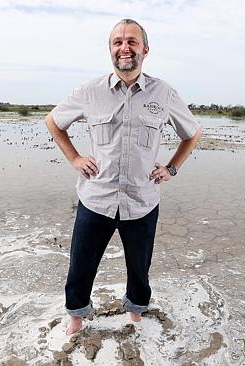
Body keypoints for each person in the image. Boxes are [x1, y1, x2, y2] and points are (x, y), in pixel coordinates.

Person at [45, 18, 202, 335]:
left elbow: (192, 133)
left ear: (145, 49)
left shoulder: (164, 94)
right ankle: (76, 316)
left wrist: (171, 168)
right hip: (96, 199)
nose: (124, 47)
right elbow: (53, 122)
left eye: (131, 41)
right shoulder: (89, 92)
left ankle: (136, 314)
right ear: (110, 50)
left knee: (139, 269)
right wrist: (75, 157)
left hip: (142, 200)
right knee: (80, 266)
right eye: (117, 42)